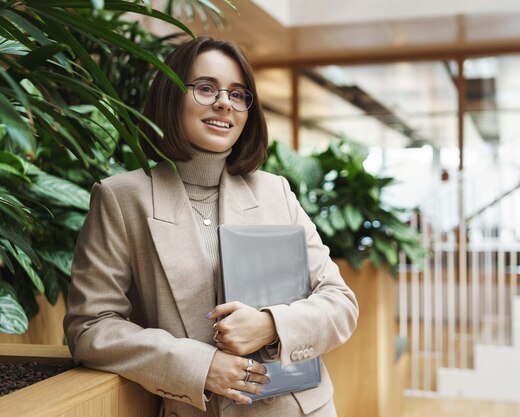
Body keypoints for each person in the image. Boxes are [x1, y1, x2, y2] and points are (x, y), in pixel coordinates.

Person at [63, 36, 358, 417]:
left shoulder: (275, 191)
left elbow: (340, 302)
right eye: (205, 88)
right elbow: (90, 327)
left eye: (238, 94)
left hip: (298, 408)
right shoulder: (122, 198)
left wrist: (272, 324)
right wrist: (197, 365)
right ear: (171, 96)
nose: (224, 102)